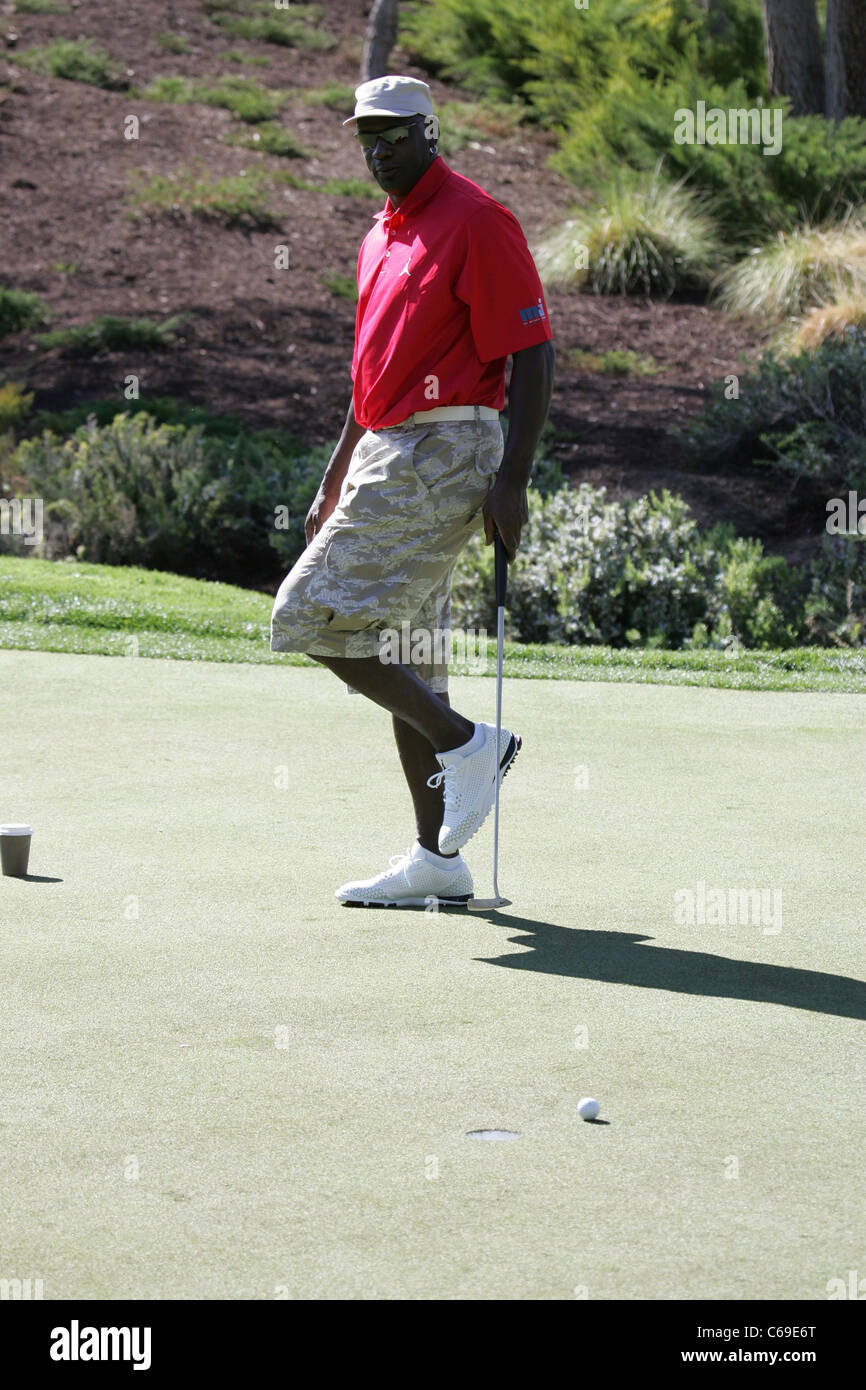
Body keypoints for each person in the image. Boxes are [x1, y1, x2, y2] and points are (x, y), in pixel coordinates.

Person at [271, 75, 555, 907]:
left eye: (394, 133)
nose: (378, 148)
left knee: (305, 613)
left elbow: (534, 351)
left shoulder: (476, 218)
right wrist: (334, 474)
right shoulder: (380, 237)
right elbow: (371, 380)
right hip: (386, 448)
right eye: (366, 134)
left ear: (430, 133)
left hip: (447, 442)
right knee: (406, 653)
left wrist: (515, 479)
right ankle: (438, 860)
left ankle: (467, 745)